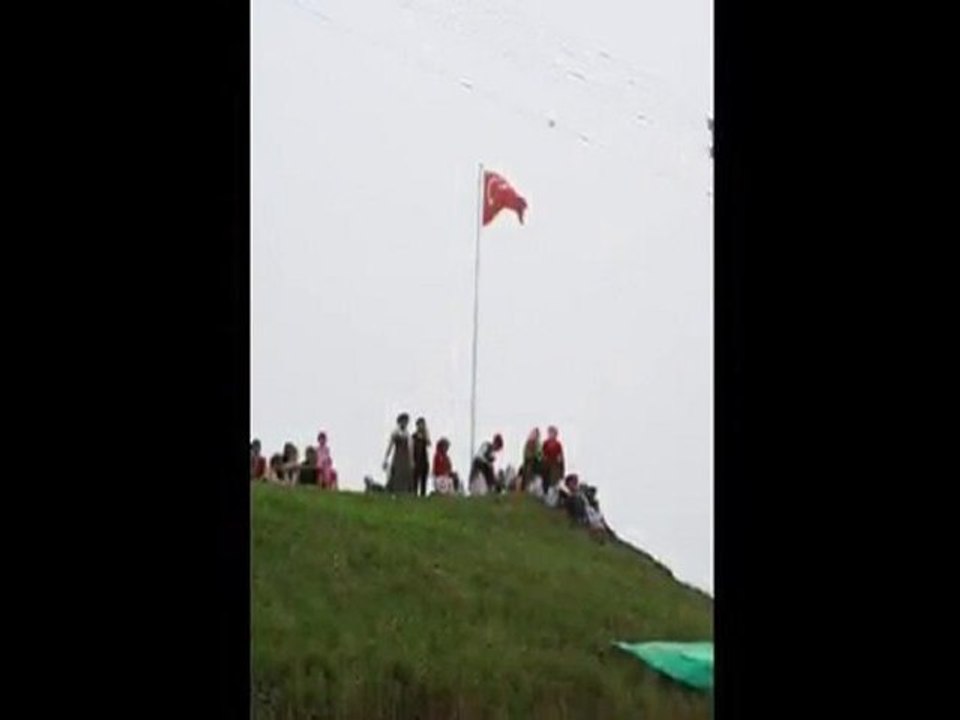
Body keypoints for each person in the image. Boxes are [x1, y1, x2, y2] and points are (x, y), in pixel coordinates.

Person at [383, 413, 414, 493]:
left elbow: (410, 448)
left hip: (405, 457)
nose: (405, 423)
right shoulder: (396, 432)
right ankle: (393, 490)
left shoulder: (408, 434)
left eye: (406, 422)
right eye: (403, 421)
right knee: (396, 472)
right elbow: (390, 446)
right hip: (398, 456)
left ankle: (404, 491)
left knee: (405, 473)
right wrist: (386, 458)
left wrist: (411, 461)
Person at [541, 426, 565, 494]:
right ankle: (545, 493)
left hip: (554, 465)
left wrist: (560, 466)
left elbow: (560, 456)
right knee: (545, 479)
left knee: (553, 481)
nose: (551, 435)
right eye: (550, 433)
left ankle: (551, 495)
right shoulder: (545, 443)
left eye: (553, 433)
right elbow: (543, 453)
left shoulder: (558, 444)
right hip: (546, 464)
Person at [412, 417, 432, 497]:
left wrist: (426, 434)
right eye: (420, 424)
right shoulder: (413, 436)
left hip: (424, 459)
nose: (421, 426)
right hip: (416, 459)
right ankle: (414, 494)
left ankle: (423, 495)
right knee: (415, 479)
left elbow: (429, 443)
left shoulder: (425, 436)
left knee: (424, 479)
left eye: (423, 424)